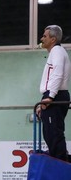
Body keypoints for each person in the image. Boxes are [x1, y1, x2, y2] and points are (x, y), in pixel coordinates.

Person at [36, 25, 71, 162]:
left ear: (53, 39)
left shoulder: (57, 50)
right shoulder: (56, 52)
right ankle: (60, 166)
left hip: (55, 96)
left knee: (54, 135)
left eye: (45, 36)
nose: (41, 38)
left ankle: (62, 170)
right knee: (50, 134)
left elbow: (57, 73)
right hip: (53, 96)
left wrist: (50, 96)